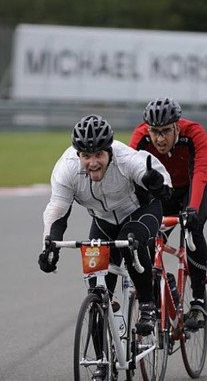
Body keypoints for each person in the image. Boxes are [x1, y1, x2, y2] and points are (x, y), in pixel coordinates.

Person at [38, 114, 173, 337]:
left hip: (140, 211)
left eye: (99, 155)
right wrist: (48, 245)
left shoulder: (126, 159)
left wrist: (156, 184)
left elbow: (158, 180)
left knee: (131, 242)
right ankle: (101, 364)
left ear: (109, 151)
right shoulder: (67, 169)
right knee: (97, 292)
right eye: (86, 156)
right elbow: (57, 210)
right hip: (103, 220)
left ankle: (148, 305)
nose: (93, 163)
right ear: (78, 154)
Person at [130, 97, 207, 330]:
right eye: (155, 132)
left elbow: (201, 170)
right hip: (164, 190)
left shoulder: (194, 133)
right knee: (146, 237)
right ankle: (161, 285)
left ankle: (198, 302)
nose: (159, 139)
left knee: (193, 228)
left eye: (166, 131)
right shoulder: (140, 137)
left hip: (195, 185)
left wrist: (192, 209)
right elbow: (128, 173)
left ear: (177, 126)